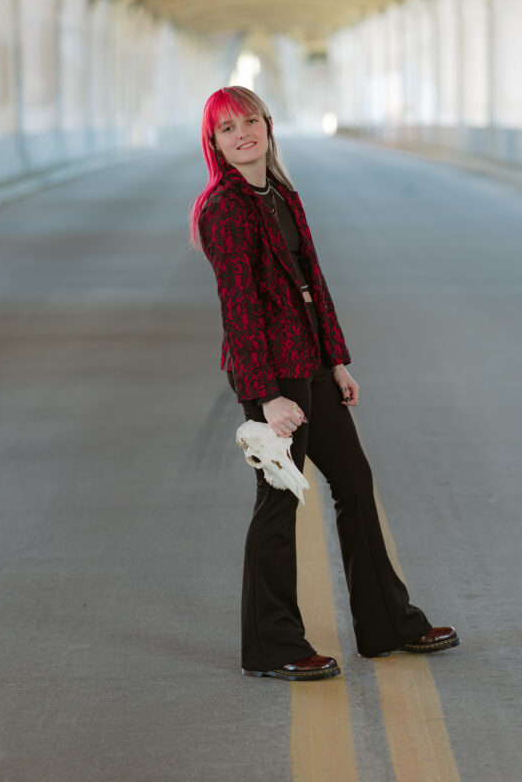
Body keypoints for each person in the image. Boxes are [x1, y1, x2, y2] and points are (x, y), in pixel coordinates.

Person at [189, 85, 460, 681]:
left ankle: (388, 625)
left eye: (249, 121)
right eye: (227, 129)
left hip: (309, 363)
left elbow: (313, 280)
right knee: (279, 503)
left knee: (356, 486)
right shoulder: (224, 208)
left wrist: (335, 359)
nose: (242, 134)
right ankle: (273, 646)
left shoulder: (282, 195)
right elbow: (241, 310)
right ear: (214, 143)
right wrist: (266, 394)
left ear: (267, 124)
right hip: (272, 376)